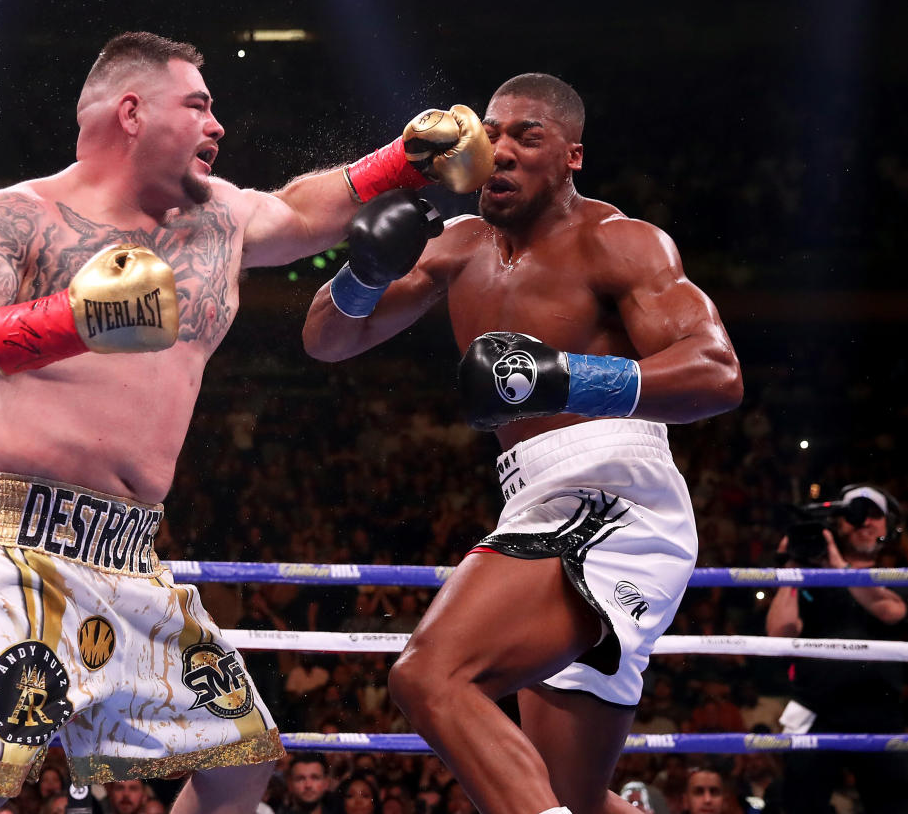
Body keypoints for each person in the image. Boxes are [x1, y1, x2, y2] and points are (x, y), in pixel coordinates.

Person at [0, 29, 491, 814]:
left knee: (239, 762)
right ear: (131, 112)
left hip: (130, 552)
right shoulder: (12, 218)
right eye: (197, 104)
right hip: (7, 541)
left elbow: (304, 214)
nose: (217, 124)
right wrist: (77, 318)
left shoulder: (217, 220)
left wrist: (402, 159)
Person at [302, 72, 742, 814]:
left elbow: (717, 371)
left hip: (612, 490)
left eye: (525, 136)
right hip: (537, 497)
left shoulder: (618, 241)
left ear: (570, 156)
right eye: (492, 132)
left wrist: (565, 379)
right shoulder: (457, 245)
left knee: (429, 675)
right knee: (562, 793)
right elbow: (327, 339)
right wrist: (364, 270)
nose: (499, 150)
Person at [765, 483, 908, 813]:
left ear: (890, 526)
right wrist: (792, 567)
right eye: (855, 516)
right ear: (839, 524)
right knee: (800, 806)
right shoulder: (812, 577)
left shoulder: (895, 577)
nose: (865, 523)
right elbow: (779, 633)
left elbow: (891, 612)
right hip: (818, 710)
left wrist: (835, 562)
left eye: (874, 516)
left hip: (879, 712)